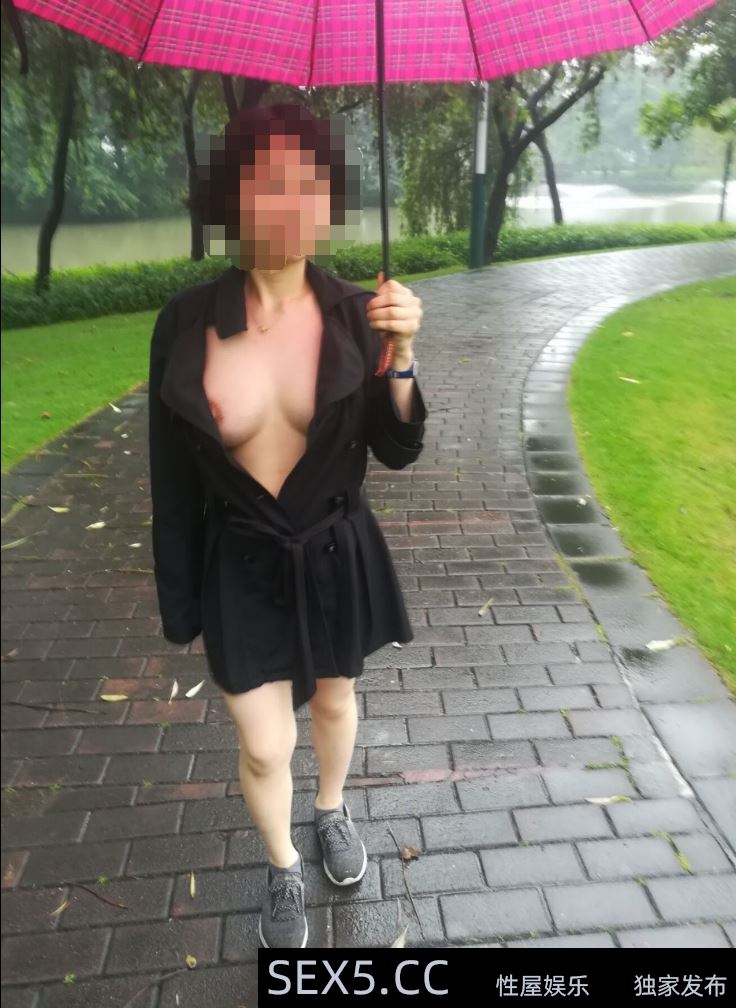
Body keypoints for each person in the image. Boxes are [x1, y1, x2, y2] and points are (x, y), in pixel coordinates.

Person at [147, 102, 428, 948]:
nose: (289, 203)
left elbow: (397, 448)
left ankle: (332, 809)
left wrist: (402, 357)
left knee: (336, 700)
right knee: (265, 745)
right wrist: (180, 602)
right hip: (239, 560)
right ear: (229, 199)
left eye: (309, 184)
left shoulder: (359, 315)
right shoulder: (186, 322)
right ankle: (281, 864)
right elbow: (170, 478)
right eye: (265, 183)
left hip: (337, 547)